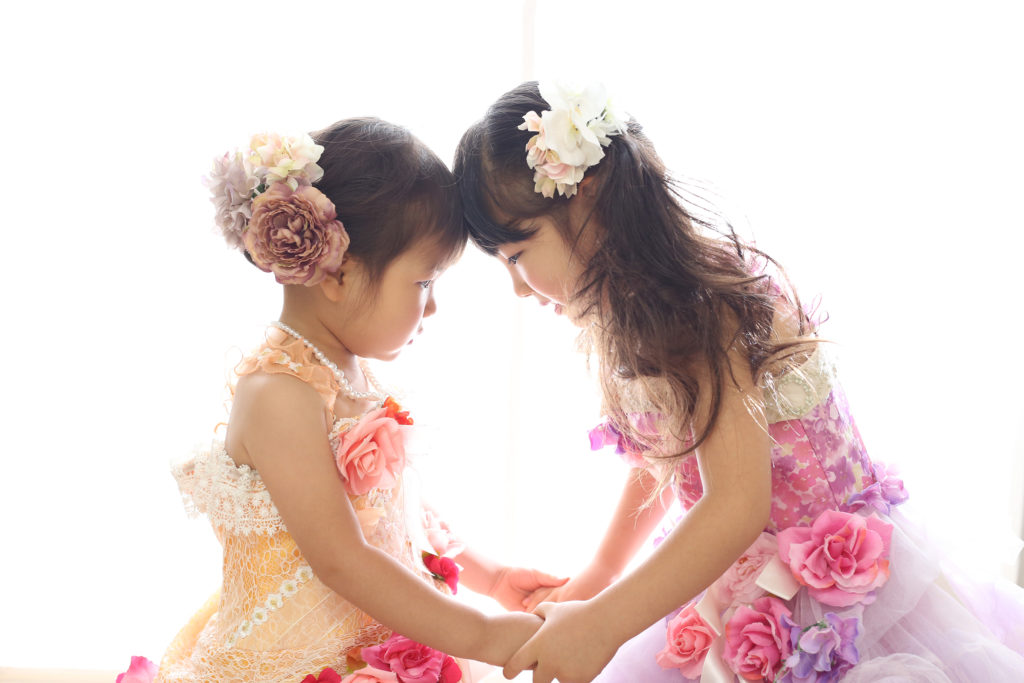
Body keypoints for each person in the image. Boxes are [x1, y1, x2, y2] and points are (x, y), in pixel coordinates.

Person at [453, 81, 1024, 683]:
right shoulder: (642, 306)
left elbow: (735, 506)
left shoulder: (698, 305)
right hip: (737, 575)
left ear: (586, 194)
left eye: (517, 255)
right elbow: (667, 455)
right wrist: (600, 574)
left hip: (826, 592)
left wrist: (603, 624)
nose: (518, 287)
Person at [131, 119, 566, 683]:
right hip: (299, 661)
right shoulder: (278, 394)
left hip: (368, 642)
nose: (432, 307)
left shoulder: (342, 370)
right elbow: (342, 556)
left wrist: (492, 577)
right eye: (424, 283)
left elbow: (393, 512)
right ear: (338, 273)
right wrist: (480, 634)